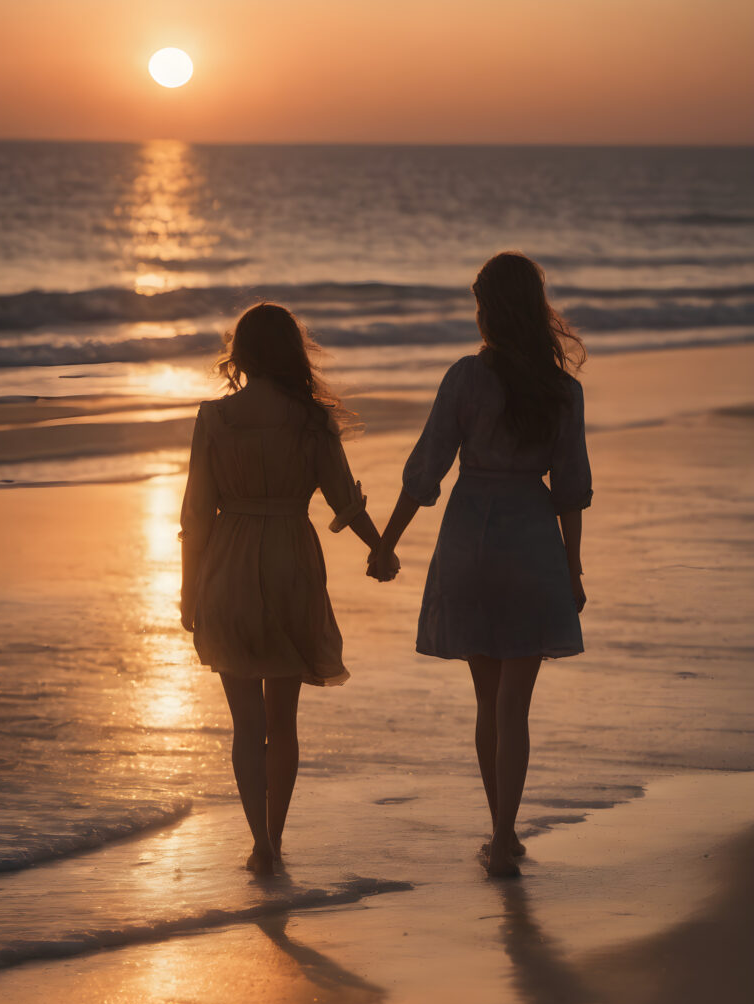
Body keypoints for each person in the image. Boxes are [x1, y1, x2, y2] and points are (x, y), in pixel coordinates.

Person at [369, 253, 592, 878]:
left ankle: (502, 831)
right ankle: (501, 838)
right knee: (514, 706)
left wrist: (386, 543)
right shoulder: (561, 391)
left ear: (488, 309)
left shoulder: (467, 378)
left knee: (486, 700)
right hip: (530, 540)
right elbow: (571, 488)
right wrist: (573, 569)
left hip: (470, 538)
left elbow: (426, 469)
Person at [180, 302, 397, 875]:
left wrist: (187, 591)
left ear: (242, 355)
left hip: (227, 564)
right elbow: (343, 499)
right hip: (290, 563)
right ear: (293, 353)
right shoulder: (310, 420)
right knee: (283, 722)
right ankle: (274, 836)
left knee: (246, 725)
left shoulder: (214, 418)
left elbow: (197, 514)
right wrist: (379, 547)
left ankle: (260, 843)